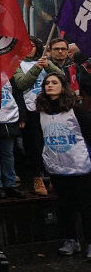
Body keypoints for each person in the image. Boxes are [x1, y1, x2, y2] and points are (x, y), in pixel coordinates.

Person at [36, 73, 91, 258]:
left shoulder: (77, 110)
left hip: (80, 166)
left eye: (54, 82)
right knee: (64, 207)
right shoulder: (41, 111)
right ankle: (71, 240)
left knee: (86, 206)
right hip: (57, 168)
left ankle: (89, 242)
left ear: (63, 86)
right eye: (47, 83)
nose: (49, 86)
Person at [14, 37, 63, 195]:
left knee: (52, 144)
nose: (29, 49)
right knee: (34, 145)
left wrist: (47, 65)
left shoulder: (44, 61)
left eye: (33, 46)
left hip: (48, 108)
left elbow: (62, 77)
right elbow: (21, 83)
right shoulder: (16, 63)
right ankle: (36, 177)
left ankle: (54, 177)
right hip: (30, 111)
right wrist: (36, 68)